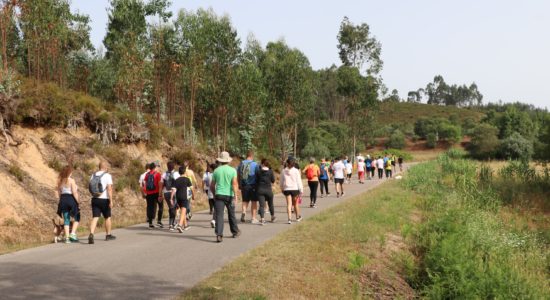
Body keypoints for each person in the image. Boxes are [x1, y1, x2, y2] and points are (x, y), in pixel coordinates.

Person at [211, 151, 241, 243]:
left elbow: (212, 185)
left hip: (219, 195)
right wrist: (236, 196)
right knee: (231, 214)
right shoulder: (232, 170)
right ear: (228, 161)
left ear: (220, 161)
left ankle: (219, 235)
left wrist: (214, 194)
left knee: (219, 215)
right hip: (229, 195)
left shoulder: (216, 171)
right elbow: (234, 184)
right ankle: (235, 231)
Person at [88, 161, 116, 244]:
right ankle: (108, 235)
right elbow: (109, 189)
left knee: (95, 217)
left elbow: (90, 187)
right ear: (105, 167)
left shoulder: (93, 175)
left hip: (95, 199)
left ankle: (91, 234)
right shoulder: (107, 176)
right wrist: (111, 201)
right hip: (104, 199)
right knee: (107, 217)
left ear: (99, 167)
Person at [56, 166, 80, 243]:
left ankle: (67, 239)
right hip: (70, 199)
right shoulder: (71, 180)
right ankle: (72, 233)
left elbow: (59, 193)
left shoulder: (60, 181)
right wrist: (77, 202)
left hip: (63, 200)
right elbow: (74, 192)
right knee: (77, 216)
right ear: (69, 172)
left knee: (66, 219)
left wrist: (61, 200)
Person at [237, 150, 259, 224]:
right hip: (253, 185)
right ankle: (253, 218)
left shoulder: (241, 163)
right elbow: (258, 175)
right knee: (254, 201)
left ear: (247, 156)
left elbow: (238, 174)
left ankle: (244, 212)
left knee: (245, 201)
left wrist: (239, 185)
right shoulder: (255, 164)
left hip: (244, 185)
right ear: (252, 156)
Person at [280, 157, 303, 224]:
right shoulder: (296, 171)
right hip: (294, 189)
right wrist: (301, 189)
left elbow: (281, 180)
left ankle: (289, 219)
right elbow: (299, 181)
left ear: (287, 163)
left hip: (287, 189)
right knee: (296, 204)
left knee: (289, 204)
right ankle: (297, 217)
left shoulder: (283, 171)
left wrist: (281, 187)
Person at [171, 165, 193, 233]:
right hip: (184, 197)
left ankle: (185, 225)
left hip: (178, 197)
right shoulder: (187, 179)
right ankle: (180, 225)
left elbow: (174, 190)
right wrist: (193, 196)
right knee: (183, 211)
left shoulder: (176, 180)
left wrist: (171, 198)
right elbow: (191, 188)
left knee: (182, 211)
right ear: (185, 172)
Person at [144, 162, 163, 229]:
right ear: (155, 167)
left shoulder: (147, 175)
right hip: (156, 192)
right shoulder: (157, 174)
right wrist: (160, 195)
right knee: (160, 207)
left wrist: (145, 192)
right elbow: (160, 185)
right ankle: (159, 221)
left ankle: (150, 223)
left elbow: (145, 184)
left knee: (150, 207)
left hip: (149, 193)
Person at [256, 158, 276, 224]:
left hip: (260, 190)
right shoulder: (270, 171)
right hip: (268, 190)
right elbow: (273, 180)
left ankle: (262, 219)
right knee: (270, 204)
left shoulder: (258, 171)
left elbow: (256, 180)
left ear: (262, 164)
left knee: (261, 205)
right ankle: (272, 216)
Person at [162, 161, 179, 231]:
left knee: (171, 207)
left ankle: (173, 223)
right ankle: (171, 224)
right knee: (173, 208)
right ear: (174, 167)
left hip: (166, 193)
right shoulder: (176, 174)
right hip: (173, 192)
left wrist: (160, 194)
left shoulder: (164, 174)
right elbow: (178, 184)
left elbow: (161, 184)